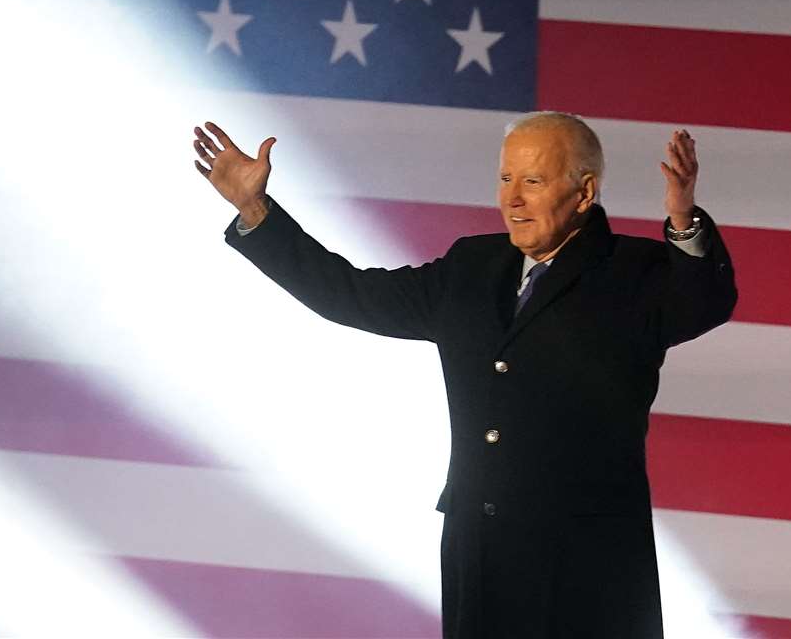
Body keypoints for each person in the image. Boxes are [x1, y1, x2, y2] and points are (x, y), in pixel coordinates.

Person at [191, 112, 737, 638]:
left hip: (586, 558)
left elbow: (703, 302)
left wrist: (684, 221)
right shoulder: (471, 267)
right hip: (480, 548)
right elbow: (351, 294)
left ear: (584, 193)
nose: (512, 198)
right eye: (505, 178)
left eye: (533, 180)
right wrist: (258, 211)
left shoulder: (632, 273)